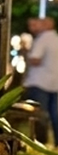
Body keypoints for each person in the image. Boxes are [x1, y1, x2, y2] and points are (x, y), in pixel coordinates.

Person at [24, 16, 58, 145]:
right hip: (55, 83)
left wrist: (27, 53)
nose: (32, 28)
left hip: (39, 82)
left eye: (36, 25)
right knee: (55, 114)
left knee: (39, 114)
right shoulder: (56, 39)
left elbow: (35, 59)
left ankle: (40, 142)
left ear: (45, 25)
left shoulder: (42, 39)